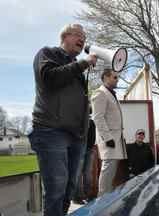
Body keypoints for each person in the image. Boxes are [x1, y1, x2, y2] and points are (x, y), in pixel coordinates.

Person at [28, 24, 97, 216]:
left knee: (68, 190)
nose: (83, 39)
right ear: (65, 36)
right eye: (78, 35)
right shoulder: (48, 53)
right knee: (56, 189)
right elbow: (49, 78)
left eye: (84, 36)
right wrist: (83, 63)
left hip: (76, 135)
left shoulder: (74, 67)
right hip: (51, 130)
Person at [91, 68, 127, 197]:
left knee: (111, 169)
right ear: (106, 77)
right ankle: (102, 200)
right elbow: (98, 117)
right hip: (109, 139)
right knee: (108, 168)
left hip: (116, 138)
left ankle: (106, 196)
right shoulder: (100, 93)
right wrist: (107, 138)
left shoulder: (110, 93)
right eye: (115, 77)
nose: (117, 80)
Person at [73, 113, 96, 204]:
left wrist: (90, 148)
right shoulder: (76, 122)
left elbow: (93, 137)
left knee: (88, 174)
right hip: (79, 151)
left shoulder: (92, 123)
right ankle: (77, 197)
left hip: (89, 150)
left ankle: (89, 195)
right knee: (78, 175)